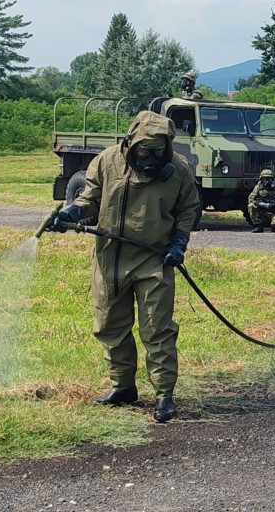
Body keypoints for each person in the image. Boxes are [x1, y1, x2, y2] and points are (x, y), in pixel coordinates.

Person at [51, 111, 200, 422]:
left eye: (157, 152)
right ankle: (123, 387)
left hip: (154, 260)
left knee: (157, 330)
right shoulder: (106, 161)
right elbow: (89, 199)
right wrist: (71, 214)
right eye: (144, 151)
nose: (150, 158)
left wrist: (179, 244)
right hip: (110, 259)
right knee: (110, 327)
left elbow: (188, 209)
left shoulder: (179, 171)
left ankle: (163, 395)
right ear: (130, 144)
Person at [247, 168, 275, 233]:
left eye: (269, 178)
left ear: (272, 179)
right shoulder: (258, 187)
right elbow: (251, 199)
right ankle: (258, 226)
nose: (267, 181)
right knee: (251, 206)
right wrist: (263, 204)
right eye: (264, 178)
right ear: (261, 179)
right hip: (262, 210)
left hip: (273, 212)